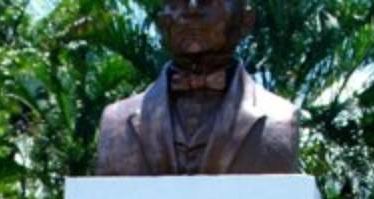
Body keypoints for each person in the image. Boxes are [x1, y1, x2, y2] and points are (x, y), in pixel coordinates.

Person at [95, 0, 299, 176]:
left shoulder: (279, 118)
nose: (192, 8)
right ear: (161, 22)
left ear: (246, 20)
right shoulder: (117, 122)